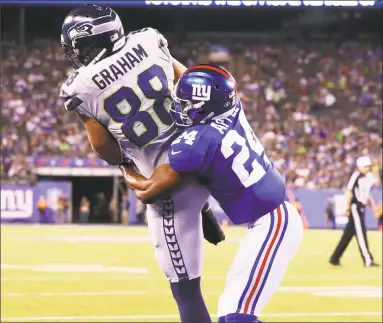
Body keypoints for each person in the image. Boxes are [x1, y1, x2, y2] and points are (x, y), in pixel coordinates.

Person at [59, 5, 223, 323]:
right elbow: (189, 81)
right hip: (204, 152)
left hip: (167, 184)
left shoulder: (79, 87)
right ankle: (205, 209)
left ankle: (198, 209)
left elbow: (103, 148)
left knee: (187, 294)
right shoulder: (148, 40)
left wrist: (125, 165)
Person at [119, 65, 304, 323]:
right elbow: (199, 79)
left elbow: (148, 191)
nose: (181, 108)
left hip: (273, 223)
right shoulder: (231, 106)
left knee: (237, 317)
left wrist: (123, 164)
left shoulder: (197, 141)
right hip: (270, 218)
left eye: (187, 103)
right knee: (230, 316)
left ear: (204, 104)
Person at [329, 156, 379, 267]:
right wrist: (347, 207)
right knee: (361, 233)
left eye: (368, 166)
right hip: (355, 207)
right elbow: (349, 191)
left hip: (362, 208)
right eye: (365, 166)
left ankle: (334, 258)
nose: (367, 168)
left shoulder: (368, 178)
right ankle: (368, 260)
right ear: (360, 166)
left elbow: (367, 195)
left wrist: (373, 208)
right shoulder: (356, 176)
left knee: (347, 235)